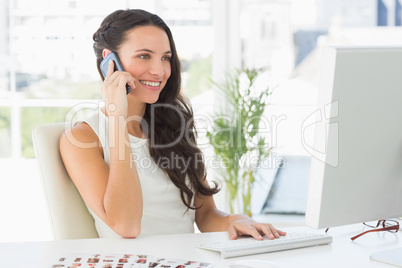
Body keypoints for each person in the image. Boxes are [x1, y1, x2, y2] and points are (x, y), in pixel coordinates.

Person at [59, 9, 286, 240]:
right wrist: (117, 120)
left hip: (187, 260)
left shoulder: (171, 126)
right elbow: (126, 227)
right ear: (110, 60)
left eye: (165, 58)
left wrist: (234, 220)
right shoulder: (82, 140)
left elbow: (205, 214)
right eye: (144, 56)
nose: (159, 71)